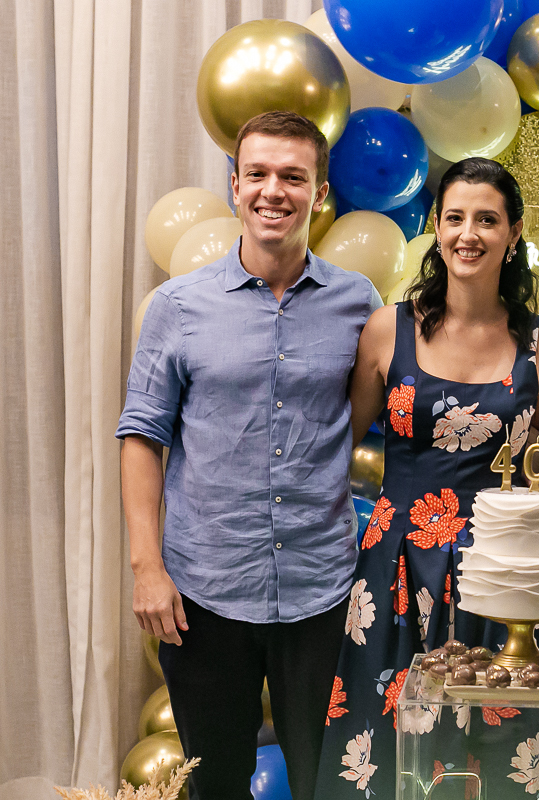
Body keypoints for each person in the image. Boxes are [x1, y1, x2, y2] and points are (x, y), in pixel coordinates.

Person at [116, 111, 379, 800]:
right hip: (204, 591)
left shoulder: (361, 304)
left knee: (334, 783)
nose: (274, 191)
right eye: (257, 174)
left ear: (319, 193)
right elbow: (142, 435)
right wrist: (147, 567)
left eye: (293, 176)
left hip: (323, 591)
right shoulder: (179, 306)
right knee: (217, 784)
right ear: (235, 186)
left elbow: (373, 420)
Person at [315, 157, 539, 799]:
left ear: (514, 233)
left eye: (488, 219)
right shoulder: (386, 329)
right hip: (394, 567)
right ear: (436, 224)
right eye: (455, 217)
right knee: (385, 746)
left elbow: (532, 459)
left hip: (496, 578)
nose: (469, 233)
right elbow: (336, 450)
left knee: (496, 751)